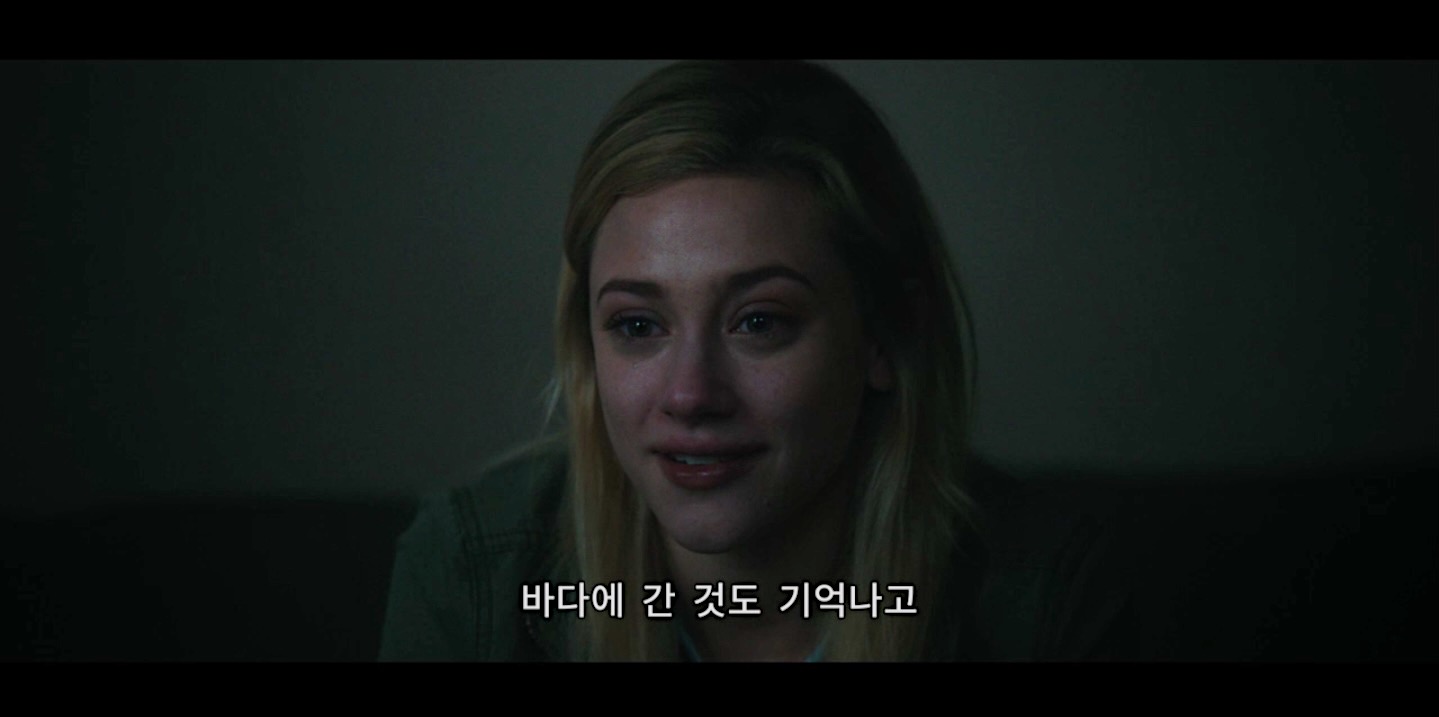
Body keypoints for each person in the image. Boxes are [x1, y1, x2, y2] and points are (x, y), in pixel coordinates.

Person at [379, 60, 1135, 661]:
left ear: (886, 332)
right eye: (638, 324)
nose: (689, 394)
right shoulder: (474, 578)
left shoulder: (1045, 598)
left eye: (759, 321)